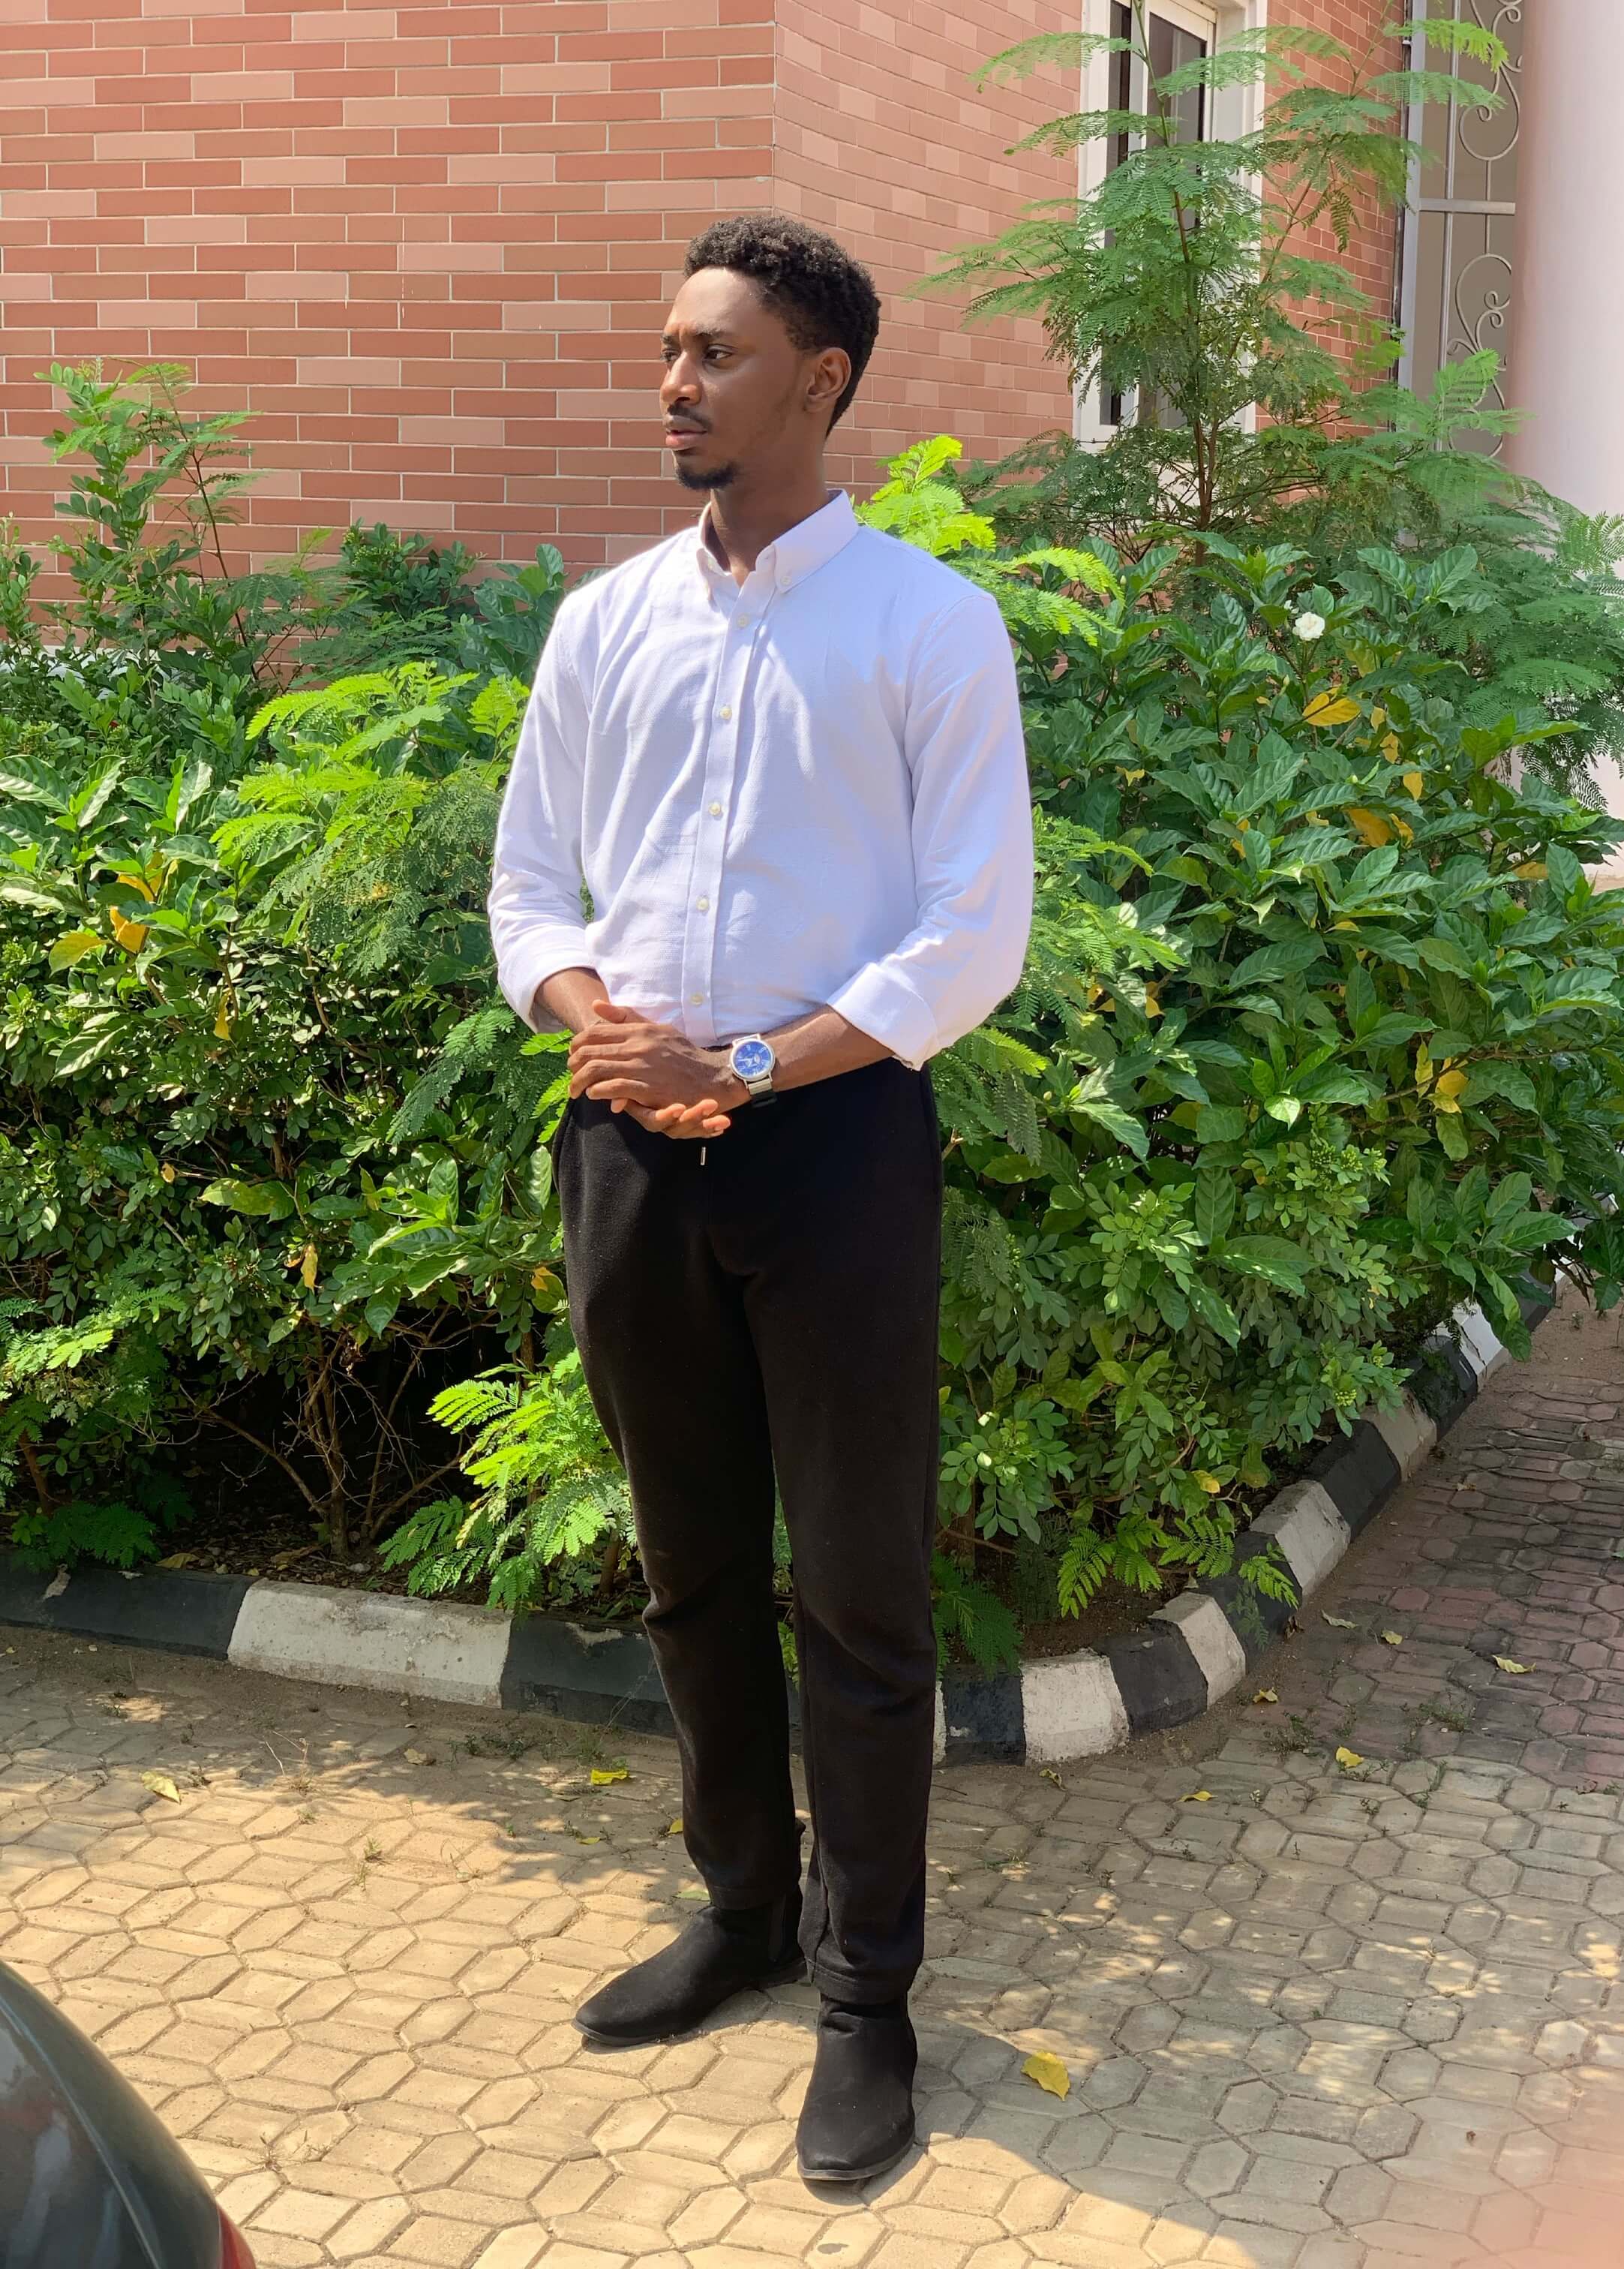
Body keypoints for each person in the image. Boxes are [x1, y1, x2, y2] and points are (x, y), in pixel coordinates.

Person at [488, 212, 1033, 2184]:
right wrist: (599, 1023)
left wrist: (746, 1062)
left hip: (835, 1150)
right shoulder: (603, 624)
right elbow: (530, 885)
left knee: (860, 1597)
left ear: (819, 383)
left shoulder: (922, 627)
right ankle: (737, 1914)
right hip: (628, 1149)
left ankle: (866, 2002)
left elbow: (970, 936)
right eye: (663, 349)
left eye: (713, 354)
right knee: (688, 1565)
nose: (671, 382)